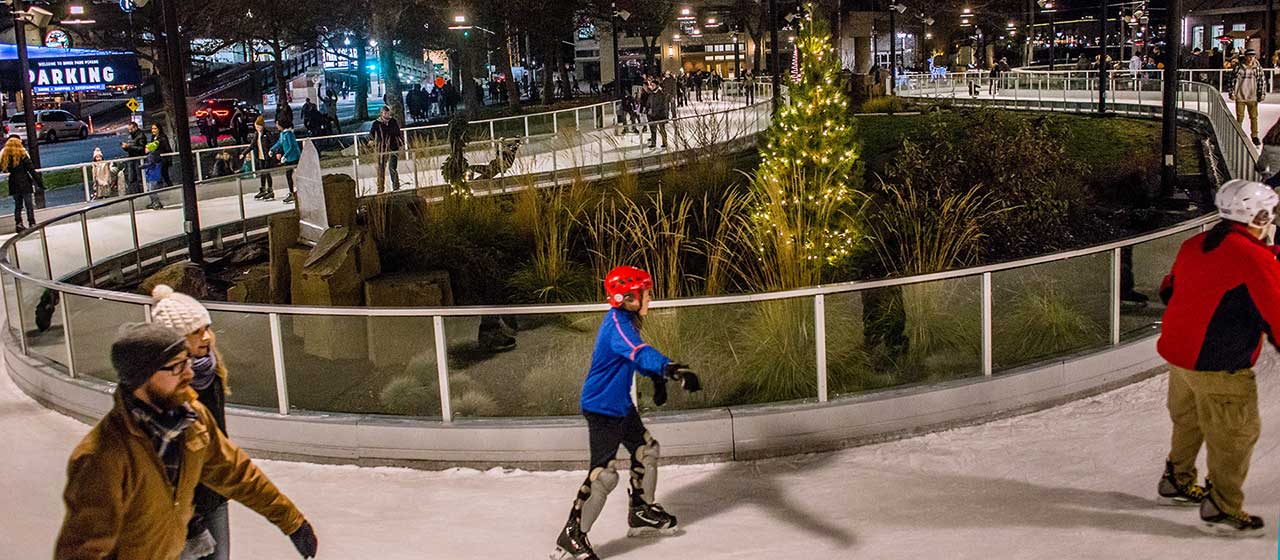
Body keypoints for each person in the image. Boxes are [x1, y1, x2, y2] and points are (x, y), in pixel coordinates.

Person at [53, 322, 319, 559]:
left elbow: (236, 472)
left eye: (187, 362)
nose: (189, 374)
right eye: (177, 367)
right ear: (142, 377)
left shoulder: (191, 419)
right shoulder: (104, 456)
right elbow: (83, 549)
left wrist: (292, 521)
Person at [1155, 179, 1278, 538]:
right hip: (1219, 364)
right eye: (1269, 214)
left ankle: (1176, 480)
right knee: (1236, 434)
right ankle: (1222, 505)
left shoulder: (1195, 243)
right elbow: (1277, 311)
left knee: (1189, 421)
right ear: (1257, 216)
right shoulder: (1252, 257)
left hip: (1179, 357)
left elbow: (1169, 288)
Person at [551, 265, 702, 560]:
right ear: (628, 297)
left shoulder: (627, 321)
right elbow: (639, 351)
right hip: (602, 408)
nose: (649, 298)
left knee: (646, 450)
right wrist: (671, 369)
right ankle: (572, 535)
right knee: (604, 476)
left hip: (619, 403)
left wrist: (657, 378)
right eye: (645, 293)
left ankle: (641, 511)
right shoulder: (618, 324)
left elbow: (634, 357)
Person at [149, 285, 234, 560]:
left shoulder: (211, 370)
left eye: (207, 327)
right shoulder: (157, 391)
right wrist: (192, 524)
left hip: (214, 492)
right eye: (196, 331)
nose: (207, 337)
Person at [1, 136, 38, 231]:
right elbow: (31, 170)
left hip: (13, 183)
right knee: (29, 204)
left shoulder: (5, 156)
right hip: (25, 182)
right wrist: (39, 182)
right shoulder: (23, 155)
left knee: (18, 205)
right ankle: (32, 223)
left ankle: (18, 223)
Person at [1231, 49, 1266, 145]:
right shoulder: (1238, 68)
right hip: (1240, 96)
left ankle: (1254, 136)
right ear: (1245, 57)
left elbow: (1262, 82)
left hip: (1252, 96)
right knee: (1239, 117)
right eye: (1249, 56)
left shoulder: (1258, 68)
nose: (1251, 58)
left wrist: (1262, 94)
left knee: (1254, 117)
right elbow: (1232, 80)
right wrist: (1232, 93)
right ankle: (1238, 134)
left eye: (1253, 56)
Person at [369, 105, 402, 193]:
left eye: (388, 113)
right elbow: (372, 134)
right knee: (381, 168)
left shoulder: (393, 121)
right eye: (385, 113)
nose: (387, 115)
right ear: (381, 113)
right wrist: (372, 140)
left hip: (393, 147)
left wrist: (399, 143)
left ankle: (396, 187)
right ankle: (380, 188)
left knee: (392, 167)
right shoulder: (376, 123)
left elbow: (397, 132)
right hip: (382, 148)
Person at [243, 116, 276, 201]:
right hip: (260, 156)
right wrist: (244, 153)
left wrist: (272, 152)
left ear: (262, 126)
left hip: (267, 157)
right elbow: (252, 145)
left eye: (258, 126)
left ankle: (270, 190)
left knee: (267, 173)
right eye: (256, 126)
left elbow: (273, 144)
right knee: (262, 173)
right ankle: (263, 189)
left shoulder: (267, 134)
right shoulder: (257, 134)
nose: (257, 128)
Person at [269, 120, 301, 204]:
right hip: (288, 158)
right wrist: (272, 149)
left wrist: (285, 156)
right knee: (288, 175)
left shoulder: (289, 134)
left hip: (294, 157)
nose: (277, 126)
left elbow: (292, 146)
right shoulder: (282, 134)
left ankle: (300, 191)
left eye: (277, 124)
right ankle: (291, 192)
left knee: (298, 174)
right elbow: (279, 143)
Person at [121, 121, 147, 195]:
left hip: (139, 159)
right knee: (131, 177)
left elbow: (141, 148)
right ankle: (134, 192)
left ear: (135, 128)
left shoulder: (141, 136)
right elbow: (130, 148)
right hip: (131, 158)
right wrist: (125, 148)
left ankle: (141, 192)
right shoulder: (130, 136)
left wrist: (129, 146)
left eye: (131, 129)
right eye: (128, 129)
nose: (129, 131)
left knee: (139, 176)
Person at [644, 80, 669, 149]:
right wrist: (647, 109)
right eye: (651, 85)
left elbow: (661, 105)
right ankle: (653, 143)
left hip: (660, 115)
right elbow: (648, 103)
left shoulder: (661, 93)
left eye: (653, 85)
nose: (651, 86)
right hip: (653, 115)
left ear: (657, 86)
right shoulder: (651, 94)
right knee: (653, 130)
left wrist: (653, 112)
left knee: (662, 130)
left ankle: (665, 143)